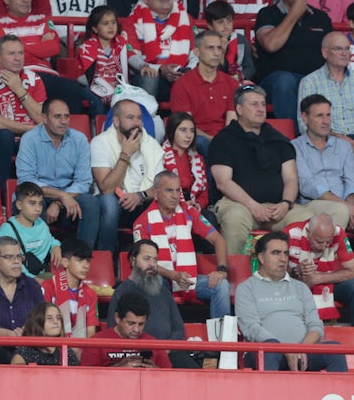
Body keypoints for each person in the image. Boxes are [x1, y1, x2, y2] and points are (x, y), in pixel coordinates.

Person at [210, 85, 343, 253]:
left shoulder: (278, 140)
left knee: (304, 220)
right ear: (239, 109)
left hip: (277, 207)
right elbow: (223, 182)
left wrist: (286, 203)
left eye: (263, 104)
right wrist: (253, 205)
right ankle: (234, 275)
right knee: (235, 218)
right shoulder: (224, 139)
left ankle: (303, 272)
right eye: (254, 104)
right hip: (238, 204)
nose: (260, 109)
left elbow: (291, 179)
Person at [235, 232, 349, 373]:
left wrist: (301, 349)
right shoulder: (246, 288)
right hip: (265, 352)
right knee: (269, 350)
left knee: (335, 350)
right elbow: (251, 328)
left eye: (286, 253)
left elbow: (315, 326)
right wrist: (284, 350)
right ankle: (267, 395)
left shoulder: (300, 287)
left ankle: (337, 394)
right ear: (261, 258)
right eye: (276, 253)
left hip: (303, 352)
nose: (283, 259)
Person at [291, 96, 354, 258]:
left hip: (344, 203)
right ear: (305, 118)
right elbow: (308, 185)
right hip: (313, 204)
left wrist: (350, 205)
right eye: (319, 115)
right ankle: (330, 267)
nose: (326, 121)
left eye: (328, 115)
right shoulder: (295, 146)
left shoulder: (343, 146)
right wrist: (345, 206)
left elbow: (352, 182)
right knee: (340, 210)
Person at [132, 171, 232, 319]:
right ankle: (163, 337)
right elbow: (144, 263)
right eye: (169, 190)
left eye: (178, 190)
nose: (175, 196)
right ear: (155, 193)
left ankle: (222, 338)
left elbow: (219, 240)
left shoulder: (188, 211)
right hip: (160, 279)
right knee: (154, 281)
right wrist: (172, 275)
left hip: (187, 277)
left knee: (221, 285)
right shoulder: (141, 223)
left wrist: (222, 270)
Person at [18, 96, 107, 251]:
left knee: (92, 203)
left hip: (70, 197)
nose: (63, 121)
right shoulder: (30, 140)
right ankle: (37, 259)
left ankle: (81, 258)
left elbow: (84, 181)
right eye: (57, 116)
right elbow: (27, 181)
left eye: (66, 116)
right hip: (39, 194)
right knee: (28, 202)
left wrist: (60, 201)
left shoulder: (79, 140)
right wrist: (61, 196)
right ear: (44, 118)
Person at [253, 0, 333, 119]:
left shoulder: (321, 18)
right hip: (276, 84)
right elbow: (271, 44)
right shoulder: (268, 14)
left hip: (313, 81)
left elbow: (331, 52)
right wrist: (293, 15)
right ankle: (292, 139)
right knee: (285, 81)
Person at [295, 31, 354, 165]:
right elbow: (304, 123)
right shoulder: (310, 81)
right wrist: (339, 139)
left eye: (347, 49)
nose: (344, 53)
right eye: (338, 49)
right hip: (327, 141)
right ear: (325, 53)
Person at [102, 241, 190, 364]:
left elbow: (179, 329)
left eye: (155, 260)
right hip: (137, 356)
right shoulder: (122, 293)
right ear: (133, 261)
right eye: (147, 259)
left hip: (170, 353)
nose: (152, 264)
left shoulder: (164, 292)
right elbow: (114, 331)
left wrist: (165, 349)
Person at [90, 98, 165, 238]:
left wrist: (140, 196)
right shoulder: (100, 143)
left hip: (143, 201)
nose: (137, 123)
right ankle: (106, 254)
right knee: (109, 202)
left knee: (167, 200)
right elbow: (106, 189)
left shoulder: (151, 144)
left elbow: (162, 186)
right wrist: (125, 154)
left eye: (139, 118)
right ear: (116, 121)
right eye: (130, 118)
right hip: (116, 203)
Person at [0, 34, 47, 181]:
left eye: (21, 53)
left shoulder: (34, 79)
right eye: (12, 54)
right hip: (2, 140)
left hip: (28, 139)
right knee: (4, 135)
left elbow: (42, 118)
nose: (18, 58)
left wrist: (20, 90)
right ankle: (1, 193)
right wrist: (30, 129)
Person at [285, 212, 354, 329]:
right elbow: (275, 272)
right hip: (297, 285)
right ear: (309, 232)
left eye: (328, 242)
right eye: (319, 241)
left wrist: (318, 278)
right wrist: (296, 271)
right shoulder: (290, 233)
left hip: (326, 282)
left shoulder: (338, 233)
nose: (324, 246)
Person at [123, 0, 192, 100]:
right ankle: (148, 119)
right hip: (148, 77)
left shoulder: (185, 18)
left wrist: (187, 70)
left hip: (179, 76)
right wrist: (159, 69)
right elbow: (131, 56)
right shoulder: (132, 21)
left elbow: (196, 53)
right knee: (150, 77)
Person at [169, 30, 235, 147]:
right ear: (197, 52)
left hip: (226, 140)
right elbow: (185, 127)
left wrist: (223, 141)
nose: (216, 53)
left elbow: (232, 123)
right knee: (201, 142)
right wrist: (212, 140)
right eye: (210, 48)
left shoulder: (231, 83)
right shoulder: (182, 84)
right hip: (196, 140)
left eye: (219, 48)